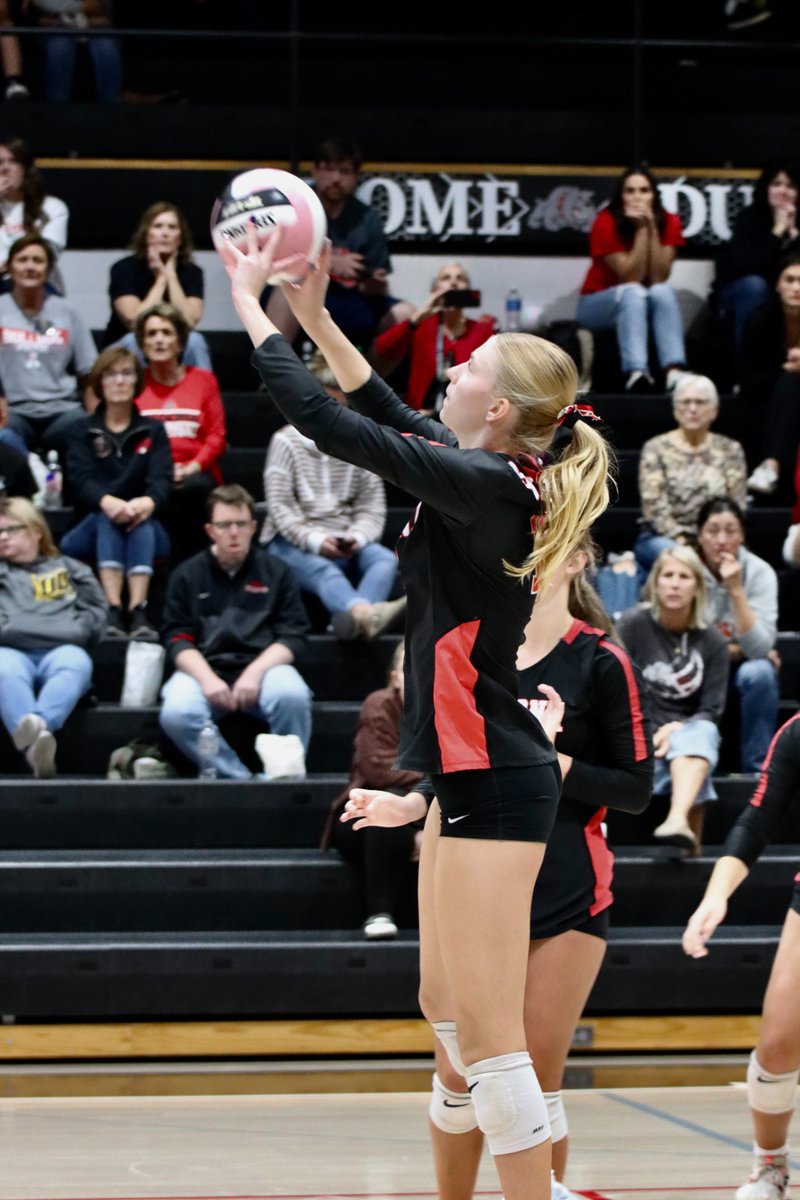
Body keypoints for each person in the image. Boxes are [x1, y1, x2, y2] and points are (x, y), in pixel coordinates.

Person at [225, 224, 612, 1200]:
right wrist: (310, 313)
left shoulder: (486, 486)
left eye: (470, 363)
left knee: (487, 1042)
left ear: (503, 408)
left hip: (495, 773)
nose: (453, 368)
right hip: (460, 770)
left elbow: (334, 426)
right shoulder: (487, 472)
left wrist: (247, 306)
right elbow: (381, 403)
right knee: (440, 1001)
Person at [344, 539, 653, 1200]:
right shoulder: (484, 650)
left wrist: (550, 760)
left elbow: (636, 787)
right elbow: (463, 762)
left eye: (547, 548)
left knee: (532, 1072)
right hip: (476, 877)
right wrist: (413, 802)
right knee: (460, 1072)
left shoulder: (602, 660)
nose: (526, 556)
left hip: (566, 885)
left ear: (575, 562)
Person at [682, 711, 800, 1200]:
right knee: (777, 1045)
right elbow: (755, 821)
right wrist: (716, 896)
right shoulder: (796, 733)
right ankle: (770, 1165)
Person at [159, 483, 312, 781]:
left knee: (292, 695)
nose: (233, 532)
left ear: (253, 527)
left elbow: (293, 634)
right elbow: (176, 638)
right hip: (205, 666)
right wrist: (207, 679)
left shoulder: (277, 571)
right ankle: (237, 777)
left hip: (264, 666)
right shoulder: (187, 575)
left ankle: (285, 776)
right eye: (224, 525)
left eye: (240, 524)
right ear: (209, 530)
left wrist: (255, 672)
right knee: (176, 711)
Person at [261, 347, 405, 640]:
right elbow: (281, 510)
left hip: (345, 537)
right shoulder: (286, 441)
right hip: (292, 542)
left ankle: (353, 622)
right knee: (327, 573)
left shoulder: (358, 442)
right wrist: (317, 540)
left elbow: (372, 507)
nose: (332, 413)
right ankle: (366, 615)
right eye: (326, 403)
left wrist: (357, 537)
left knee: (385, 560)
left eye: (339, 405)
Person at [616, 545, 729, 854]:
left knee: (701, 738)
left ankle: (678, 819)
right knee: (698, 760)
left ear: (697, 587)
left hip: (687, 737)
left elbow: (711, 710)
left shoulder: (714, 641)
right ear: (655, 583)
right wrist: (653, 732)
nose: (675, 583)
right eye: (667, 575)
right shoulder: (632, 625)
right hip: (640, 736)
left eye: (684, 576)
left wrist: (674, 730)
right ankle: (685, 842)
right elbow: (618, 691)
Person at [265, 137, 413, 363]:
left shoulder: (366, 217)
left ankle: (368, 385)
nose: (336, 179)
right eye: (329, 170)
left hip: (350, 299)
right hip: (304, 293)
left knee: (405, 314)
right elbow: (279, 259)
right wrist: (331, 262)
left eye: (344, 172)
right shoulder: (297, 207)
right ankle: (272, 376)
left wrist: (376, 285)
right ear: (314, 171)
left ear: (355, 177)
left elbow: (376, 276)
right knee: (284, 291)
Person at [60, 344, 173, 641]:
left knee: (140, 521)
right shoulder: (81, 431)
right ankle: (114, 608)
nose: (119, 381)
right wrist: (109, 503)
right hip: (88, 527)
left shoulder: (153, 431)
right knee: (106, 518)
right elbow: (78, 482)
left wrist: (144, 504)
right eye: (110, 375)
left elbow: (162, 481)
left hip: (145, 528)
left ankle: (137, 610)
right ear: (99, 382)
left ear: (137, 380)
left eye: (126, 374)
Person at [321, 642, 424, 940]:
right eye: (410, 665)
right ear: (395, 678)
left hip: (429, 812)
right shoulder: (380, 704)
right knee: (385, 804)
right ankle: (379, 911)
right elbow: (378, 767)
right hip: (360, 815)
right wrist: (434, 778)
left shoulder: (452, 709)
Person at [0, 495, 107, 778]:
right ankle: (38, 744)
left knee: (77, 663)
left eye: (12, 529)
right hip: (9, 651)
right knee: (2, 669)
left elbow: (96, 612)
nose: (3, 537)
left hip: (62, 650)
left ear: (36, 531)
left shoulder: (70, 569)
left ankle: (38, 729)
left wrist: (78, 630)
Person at [575, 164, 688, 393]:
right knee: (633, 291)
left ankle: (674, 372)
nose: (637, 197)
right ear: (621, 196)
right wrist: (641, 230)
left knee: (662, 292)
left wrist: (652, 228)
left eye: (644, 190)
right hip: (596, 304)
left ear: (654, 195)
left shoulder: (669, 221)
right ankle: (637, 372)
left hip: (641, 300)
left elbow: (659, 277)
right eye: (630, 191)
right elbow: (630, 276)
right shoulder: (605, 221)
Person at [133, 302, 226, 562]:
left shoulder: (203, 380)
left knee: (196, 487)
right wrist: (160, 470)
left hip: (194, 473)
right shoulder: (135, 382)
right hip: (151, 473)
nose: (159, 340)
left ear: (181, 341)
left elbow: (216, 436)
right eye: (151, 334)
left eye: (166, 332)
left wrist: (192, 467)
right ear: (142, 343)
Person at [635, 372, 748, 580]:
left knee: (747, 562)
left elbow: (736, 504)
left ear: (714, 410)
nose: (692, 409)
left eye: (700, 402)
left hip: (716, 536)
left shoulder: (730, 449)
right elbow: (654, 507)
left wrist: (713, 539)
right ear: (675, 409)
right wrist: (685, 541)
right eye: (686, 402)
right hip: (664, 537)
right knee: (681, 558)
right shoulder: (656, 448)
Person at [695, 496, 780, 774]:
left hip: (740, 671)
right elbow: (682, 643)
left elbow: (758, 649)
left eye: (731, 531)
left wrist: (735, 589)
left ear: (742, 535)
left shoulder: (760, 573)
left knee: (761, 672)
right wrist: (731, 649)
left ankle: (757, 772)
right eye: (713, 530)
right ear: (699, 535)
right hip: (699, 670)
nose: (721, 540)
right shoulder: (685, 570)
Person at [0, 233, 96, 458]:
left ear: (48, 269)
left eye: (38, 260)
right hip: (14, 411)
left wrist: (97, 420)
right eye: (22, 260)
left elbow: (89, 373)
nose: (30, 266)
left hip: (61, 410)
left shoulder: (67, 311)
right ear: (10, 267)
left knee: (85, 431)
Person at [373, 262, 499, 412]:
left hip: (465, 416)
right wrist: (418, 317)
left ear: (468, 290)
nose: (453, 282)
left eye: (461, 278)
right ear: (434, 290)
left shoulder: (482, 330)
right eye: (446, 278)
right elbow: (383, 349)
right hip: (420, 417)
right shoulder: (421, 326)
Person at [103, 201, 211, 370]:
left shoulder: (192, 272)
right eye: (158, 226)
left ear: (180, 237)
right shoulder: (123, 268)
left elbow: (188, 322)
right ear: (146, 233)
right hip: (126, 343)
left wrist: (171, 275)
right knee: (134, 340)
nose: (165, 233)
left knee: (195, 341)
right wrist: (161, 279)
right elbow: (134, 322)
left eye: (172, 227)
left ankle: (204, 394)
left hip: (174, 346)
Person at [714, 158, 800, 356]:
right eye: (776, 184)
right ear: (766, 188)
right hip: (742, 290)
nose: (783, 191)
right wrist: (777, 232)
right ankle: (748, 372)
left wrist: (794, 233)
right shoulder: (749, 218)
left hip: (789, 291)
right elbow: (747, 267)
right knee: (755, 286)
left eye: (790, 186)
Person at [740, 254, 800, 499]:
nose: (796, 288)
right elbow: (748, 382)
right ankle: (770, 466)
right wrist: (784, 369)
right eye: (790, 280)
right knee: (789, 381)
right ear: (777, 285)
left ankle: (771, 466)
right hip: (766, 398)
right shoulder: (760, 320)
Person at [0, 137, 67, 290]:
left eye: (13, 162)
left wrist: (8, 265)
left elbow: (46, 256)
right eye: (0, 163)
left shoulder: (52, 207)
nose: (5, 169)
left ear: (25, 168)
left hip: (39, 287)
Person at [28, 0, 122, 104]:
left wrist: (72, 12)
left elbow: (102, 13)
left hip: (95, 26)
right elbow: (43, 16)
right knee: (60, 46)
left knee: (106, 47)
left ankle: (111, 107)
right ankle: (57, 109)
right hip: (57, 27)